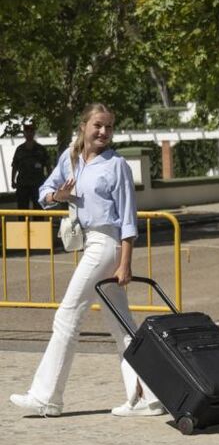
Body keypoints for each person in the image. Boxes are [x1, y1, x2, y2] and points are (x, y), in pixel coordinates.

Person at [9, 103, 164, 418]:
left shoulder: (116, 165)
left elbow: (128, 219)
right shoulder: (71, 160)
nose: (104, 132)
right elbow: (44, 192)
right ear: (84, 126)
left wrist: (125, 263)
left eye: (109, 127)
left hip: (106, 245)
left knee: (67, 315)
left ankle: (47, 397)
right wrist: (58, 197)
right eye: (98, 125)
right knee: (120, 323)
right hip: (90, 241)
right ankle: (149, 397)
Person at [11, 121, 50, 212]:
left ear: (34, 133)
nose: (29, 133)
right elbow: (14, 166)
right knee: (22, 209)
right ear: (24, 133)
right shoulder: (19, 149)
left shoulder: (41, 149)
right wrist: (12, 180)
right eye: (27, 131)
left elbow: (48, 166)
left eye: (31, 131)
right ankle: (23, 226)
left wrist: (49, 182)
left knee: (39, 209)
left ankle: (38, 226)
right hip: (22, 184)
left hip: (38, 184)